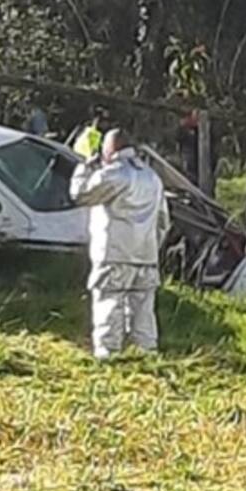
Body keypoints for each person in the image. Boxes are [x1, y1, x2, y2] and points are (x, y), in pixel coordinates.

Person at [70, 128, 170, 358]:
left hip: (114, 253)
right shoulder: (152, 177)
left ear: (110, 148)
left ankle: (108, 355)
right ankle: (147, 353)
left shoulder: (114, 174)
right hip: (146, 255)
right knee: (143, 311)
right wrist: (154, 246)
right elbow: (163, 220)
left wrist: (85, 166)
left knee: (109, 304)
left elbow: (80, 194)